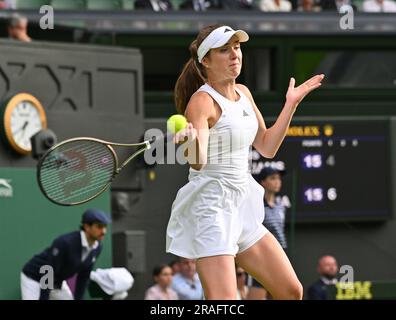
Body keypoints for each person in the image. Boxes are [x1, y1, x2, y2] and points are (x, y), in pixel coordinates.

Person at [166, 23, 324, 300]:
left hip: (242, 205)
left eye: (237, 48)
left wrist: (291, 104)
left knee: (290, 291)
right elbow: (199, 160)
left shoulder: (245, 94)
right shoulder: (201, 102)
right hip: (212, 210)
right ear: (205, 60)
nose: (234, 55)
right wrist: (189, 141)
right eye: (224, 50)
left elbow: (267, 146)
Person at [20, 208, 111, 300]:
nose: (104, 231)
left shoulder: (97, 247)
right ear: (87, 227)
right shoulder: (65, 243)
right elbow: (48, 271)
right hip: (35, 278)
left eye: (105, 227)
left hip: (57, 282)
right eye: (99, 227)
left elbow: (84, 276)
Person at [248, 166, 288, 299]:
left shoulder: (280, 205)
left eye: (278, 178)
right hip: (262, 256)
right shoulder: (256, 205)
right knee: (258, 292)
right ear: (263, 182)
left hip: (281, 254)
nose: (277, 182)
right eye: (273, 178)